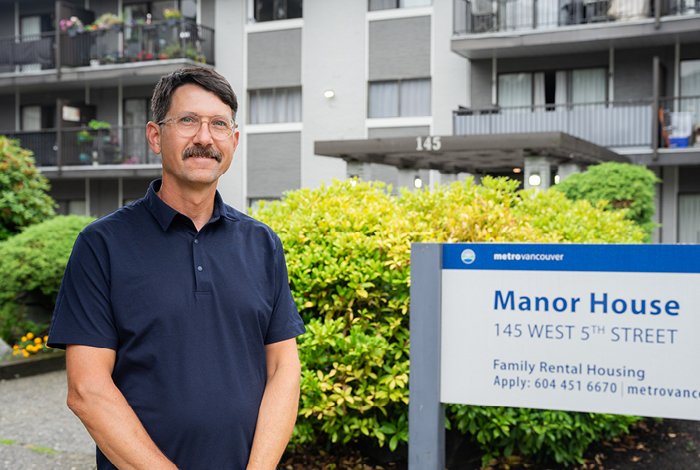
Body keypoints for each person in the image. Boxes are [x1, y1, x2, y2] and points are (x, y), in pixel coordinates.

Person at [48, 66, 306, 470]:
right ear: (156, 135)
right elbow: (87, 388)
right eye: (188, 121)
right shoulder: (102, 245)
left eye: (219, 124)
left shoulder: (262, 244)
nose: (204, 138)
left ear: (233, 141)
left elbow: (284, 369)